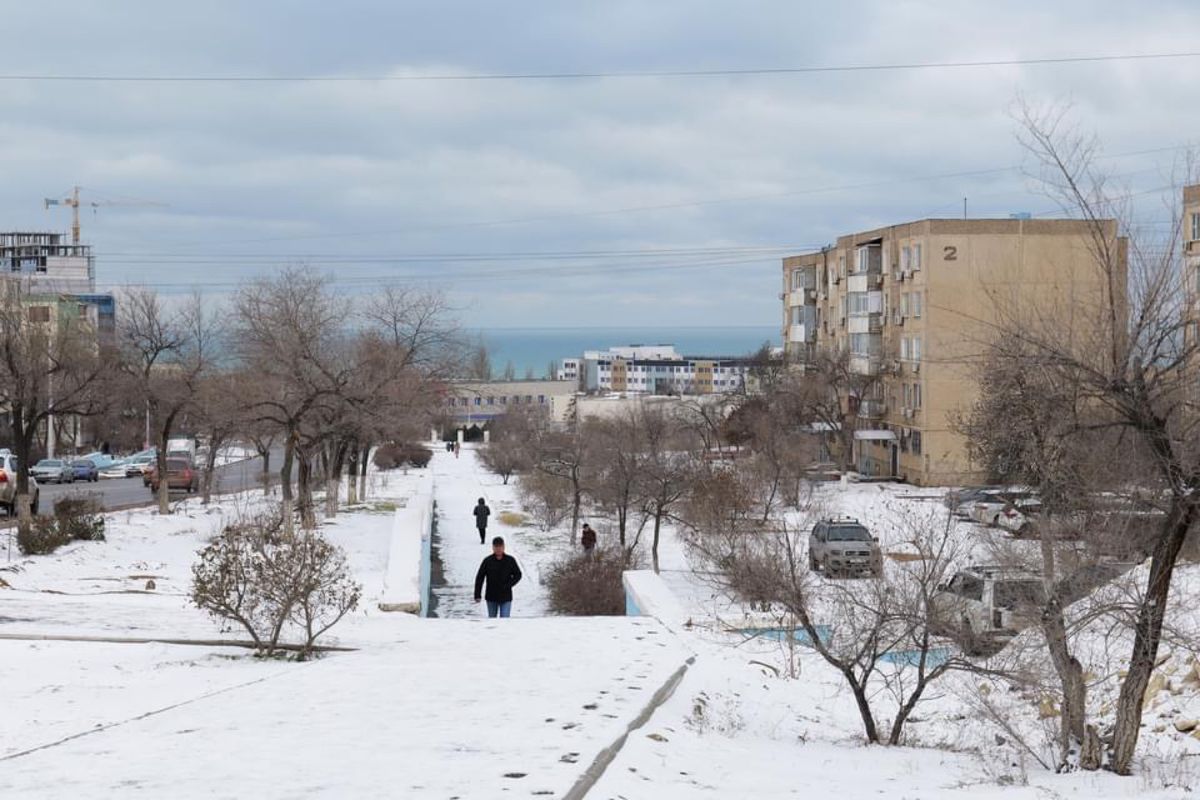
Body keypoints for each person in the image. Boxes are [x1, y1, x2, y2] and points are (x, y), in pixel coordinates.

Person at [474, 536, 522, 618]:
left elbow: (518, 574)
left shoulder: (510, 560)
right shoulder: (487, 561)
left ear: (504, 547)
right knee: (492, 620)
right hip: (491, 596)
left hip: (506, 596)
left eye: (500, 547)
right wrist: (477, 594)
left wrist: (509, 584)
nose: (498, 549)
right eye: (496, 547)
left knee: (505, 620)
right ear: (493, 547)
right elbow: (480, 577)